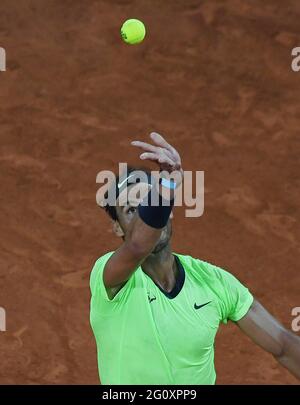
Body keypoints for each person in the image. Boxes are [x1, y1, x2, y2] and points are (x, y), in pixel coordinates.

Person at [90, 132, 300, 384]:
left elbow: (283, 346)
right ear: (118, 228)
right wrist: (165, 186)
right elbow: (137, 246)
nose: (143, 218)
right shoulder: (110, 279)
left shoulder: (215, 283)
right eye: (131, 210)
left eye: (148, 204)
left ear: (167, 212)